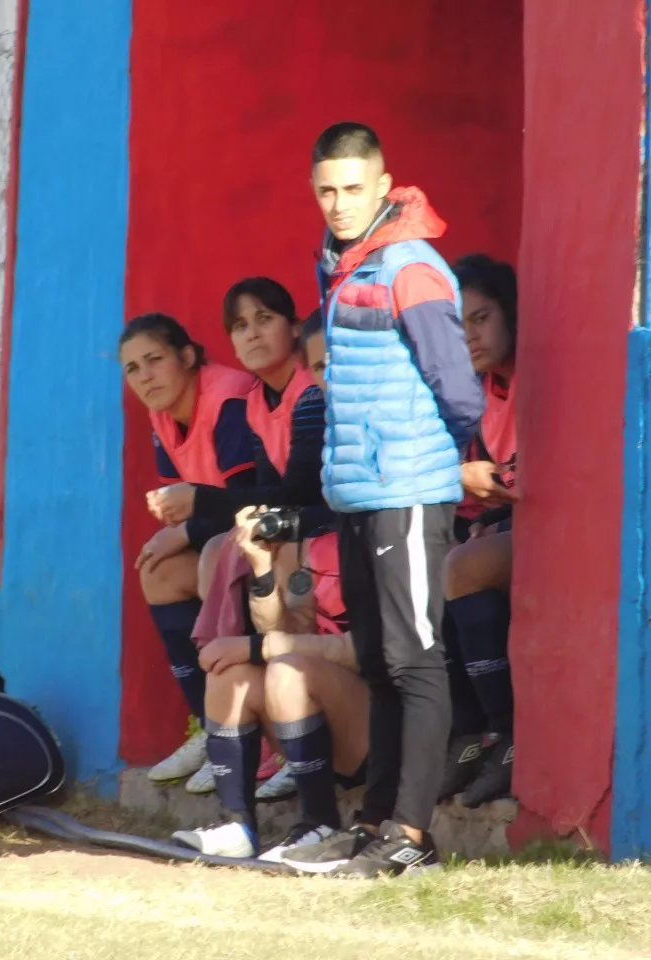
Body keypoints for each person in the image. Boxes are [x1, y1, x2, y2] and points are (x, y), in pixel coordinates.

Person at [287, 122, 484, 877]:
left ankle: (412, 836)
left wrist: (455, 460)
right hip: (360, 491)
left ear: (382, 184)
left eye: (351, 188)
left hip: (406, 490)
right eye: (325, 191)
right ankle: (376, 822)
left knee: (414, 660)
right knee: (376, 661)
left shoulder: (411, 266)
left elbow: (455, 384)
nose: (337, 204)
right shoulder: (341, 265)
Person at [184, 282, 331, 802]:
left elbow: (298, 489)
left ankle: (289, 737)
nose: (252, 333)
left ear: (294, 328)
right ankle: (238, 726)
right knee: (220, 549)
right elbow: (260, 491)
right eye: (240, 326)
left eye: (264, 318)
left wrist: (200, 501)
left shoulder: (310, 390)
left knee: (261, 546)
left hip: (329, 517)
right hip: (295, 515)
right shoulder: (252, 402)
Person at [170, 507, 368, 862]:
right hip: (314, 713)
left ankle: (320, 822)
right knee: (230, 672)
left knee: (285, 670)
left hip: (376, 722)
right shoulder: (310, 534)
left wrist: (258, 647)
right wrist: (263, 571)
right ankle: (237, 824)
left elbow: (368, 650)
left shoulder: (389, 533)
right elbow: (293, 629)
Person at [119, 313, 257, 794]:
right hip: (223, 536)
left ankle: (243, 734)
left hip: (269, 533)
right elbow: (181, 510)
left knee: (209, 559)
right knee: (157, 571)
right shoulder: (162, 413)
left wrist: (186, 532)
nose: (145, 376)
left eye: (155, 360)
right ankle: (207, 724)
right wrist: (183, 532)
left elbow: (252, 497)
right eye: (133, 368)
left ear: (189, 356)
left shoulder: (228, 398)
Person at [437, 255, 519, 807]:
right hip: (510, 526)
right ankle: (471, 736)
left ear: (512, 312)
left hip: (567, 535)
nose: (470, 335)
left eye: (481, 317)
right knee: (427, 558)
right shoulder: (481, 390)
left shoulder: (546, 372)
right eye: (459, 324)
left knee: (461, 568)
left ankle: (507, 733)